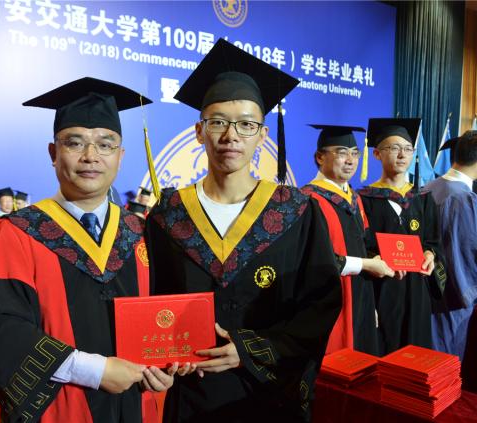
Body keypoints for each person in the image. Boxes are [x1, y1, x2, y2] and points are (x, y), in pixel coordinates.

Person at [146, 39, 342, 423]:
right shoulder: (168, 214)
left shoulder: (296, 211)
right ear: (199, 131)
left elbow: (320, 304)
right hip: (192, 393)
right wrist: (165, 355)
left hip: (270, 393)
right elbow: (152, 299)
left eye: (246, 124)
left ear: (263, 135)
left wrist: (251, 350)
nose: (231, 135)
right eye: (218, 122)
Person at [0, 77, 184, 423]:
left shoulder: (140, 232)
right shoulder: (17, 234)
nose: (91, 156)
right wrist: (96, 371)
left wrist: (164, 365)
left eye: (105, 144)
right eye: (75, 143)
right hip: (60, 410)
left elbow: (163, 317)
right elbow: (3, 333)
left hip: (135, 405)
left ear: (120, 156)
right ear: (53, 153)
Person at [301, 124, 394, 356]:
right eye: (342, 153)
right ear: (320, 157)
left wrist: (370, 302)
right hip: (328, 301)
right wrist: (367, 264)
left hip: (360, 298)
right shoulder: (307, 201)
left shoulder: (354, 198)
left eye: (355, 153)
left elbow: (363, 245)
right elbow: (313, 260)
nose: (351, 160)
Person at [358, 118, 443, 355]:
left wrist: (430, 255)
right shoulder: (364, 199)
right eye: (394, 148)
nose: (402, 154)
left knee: (416, 355)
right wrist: (376, 258)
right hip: (381, 289)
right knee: (383, 353)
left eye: (407, 149)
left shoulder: (423, 198)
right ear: (377, 154)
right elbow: (359, 245)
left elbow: (433, 242)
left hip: (416, 292)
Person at [423, 130, 477, 365]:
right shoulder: (464, 199)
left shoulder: (426, 188)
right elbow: (466, 253)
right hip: (454, 300)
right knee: (445, 368)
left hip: (426, 296)